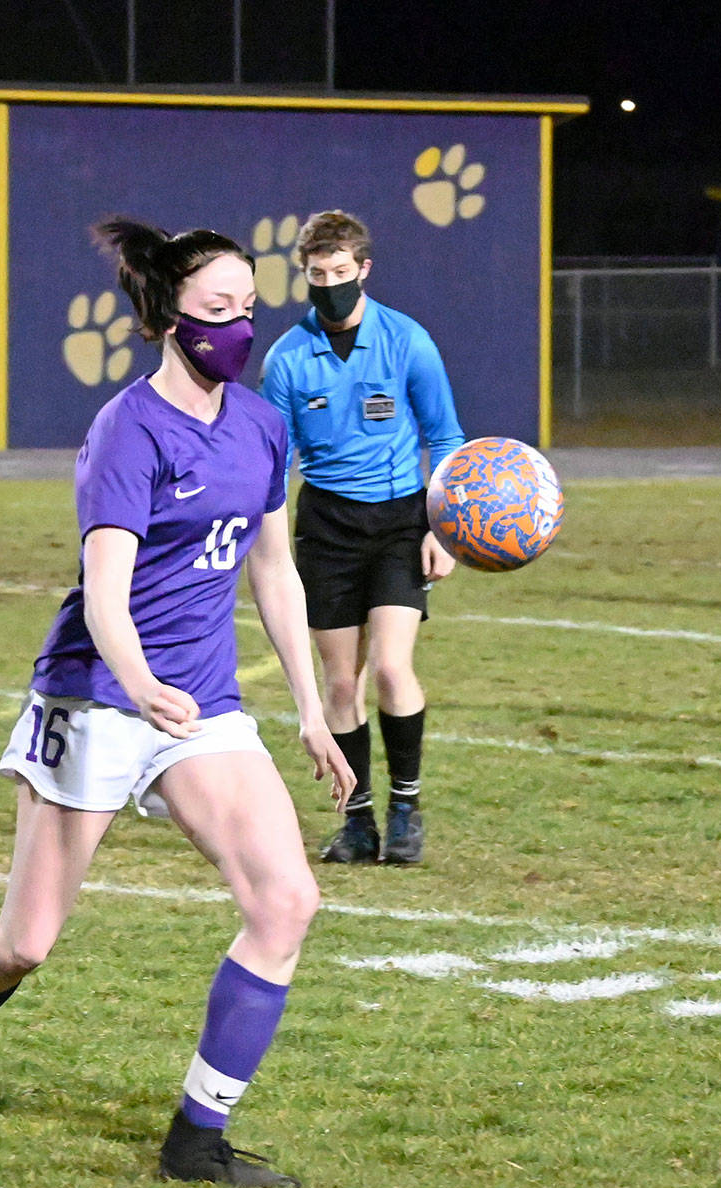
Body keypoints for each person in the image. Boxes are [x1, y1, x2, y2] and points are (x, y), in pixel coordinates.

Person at [0, 220, 354, 1188]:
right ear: (167, 318)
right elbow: (104, 593)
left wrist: (312, 709)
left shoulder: (260, 421)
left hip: (198, 702)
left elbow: (272, 569)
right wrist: (141, 679)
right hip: (100, 694)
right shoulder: (127, 430)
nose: (237, 327)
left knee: (285, 898)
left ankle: (195, 1137)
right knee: (24, 941)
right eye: (215, 311)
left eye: (247, 307)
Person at [261, 210, 465, 866]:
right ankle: (357, 821)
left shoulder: (409, 341)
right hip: (327, 526)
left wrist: (444, 527)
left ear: (364, 269)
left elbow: (447, 437)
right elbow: (273, 465)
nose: (329, 286)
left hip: (402, 520)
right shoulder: (287, 359)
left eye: (341, 274)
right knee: (340, 683)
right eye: (317, 276)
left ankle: (406, 811)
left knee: (391, 667)